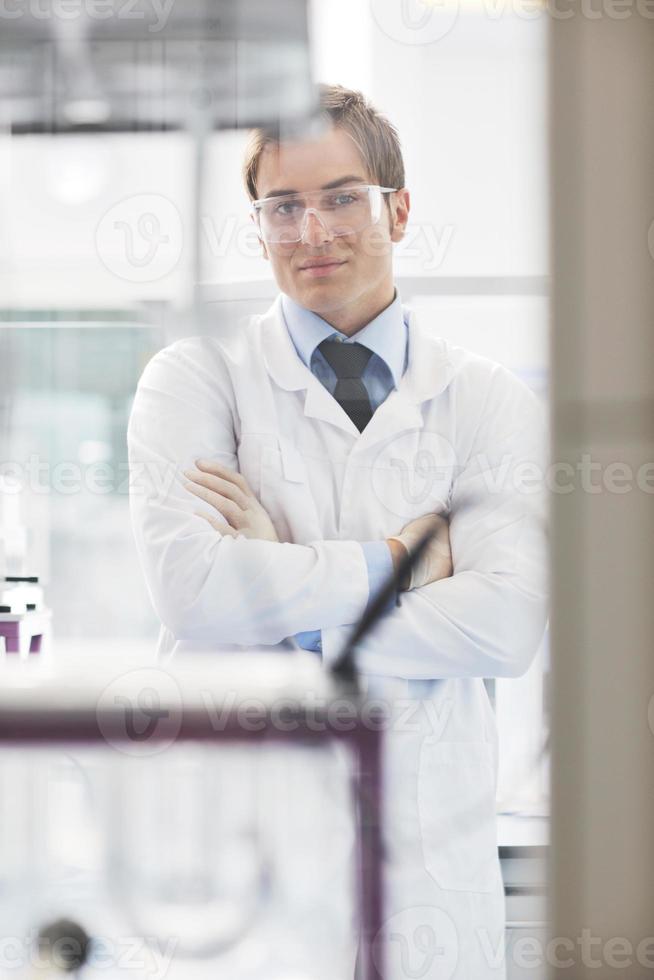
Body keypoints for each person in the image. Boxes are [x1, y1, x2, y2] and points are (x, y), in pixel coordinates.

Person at [127, 84, 548, 979]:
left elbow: (507, 624)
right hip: (247, 874)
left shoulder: (486, 401)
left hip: (429, 876)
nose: (312, 232)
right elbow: (195, 594)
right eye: (283, 206)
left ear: (398, 207)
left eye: (341, 198)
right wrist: (401, 563)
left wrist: (277, 576)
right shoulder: (194, 379)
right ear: (259, 224)